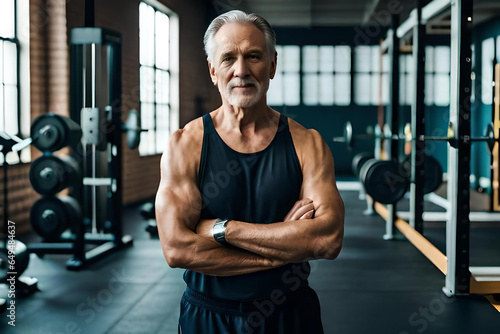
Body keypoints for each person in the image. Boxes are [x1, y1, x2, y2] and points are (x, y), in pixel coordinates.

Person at [155, 9, 344, 334]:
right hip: (209, 316)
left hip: (290, 313)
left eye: (253, 56)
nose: (241, 70)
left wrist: (223, 229)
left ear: (271, 65)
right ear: (213, 70)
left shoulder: (307, 144)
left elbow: (326, 240)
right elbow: (176, 249)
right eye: (228, 58)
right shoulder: (185, 145)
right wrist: (284, 250)